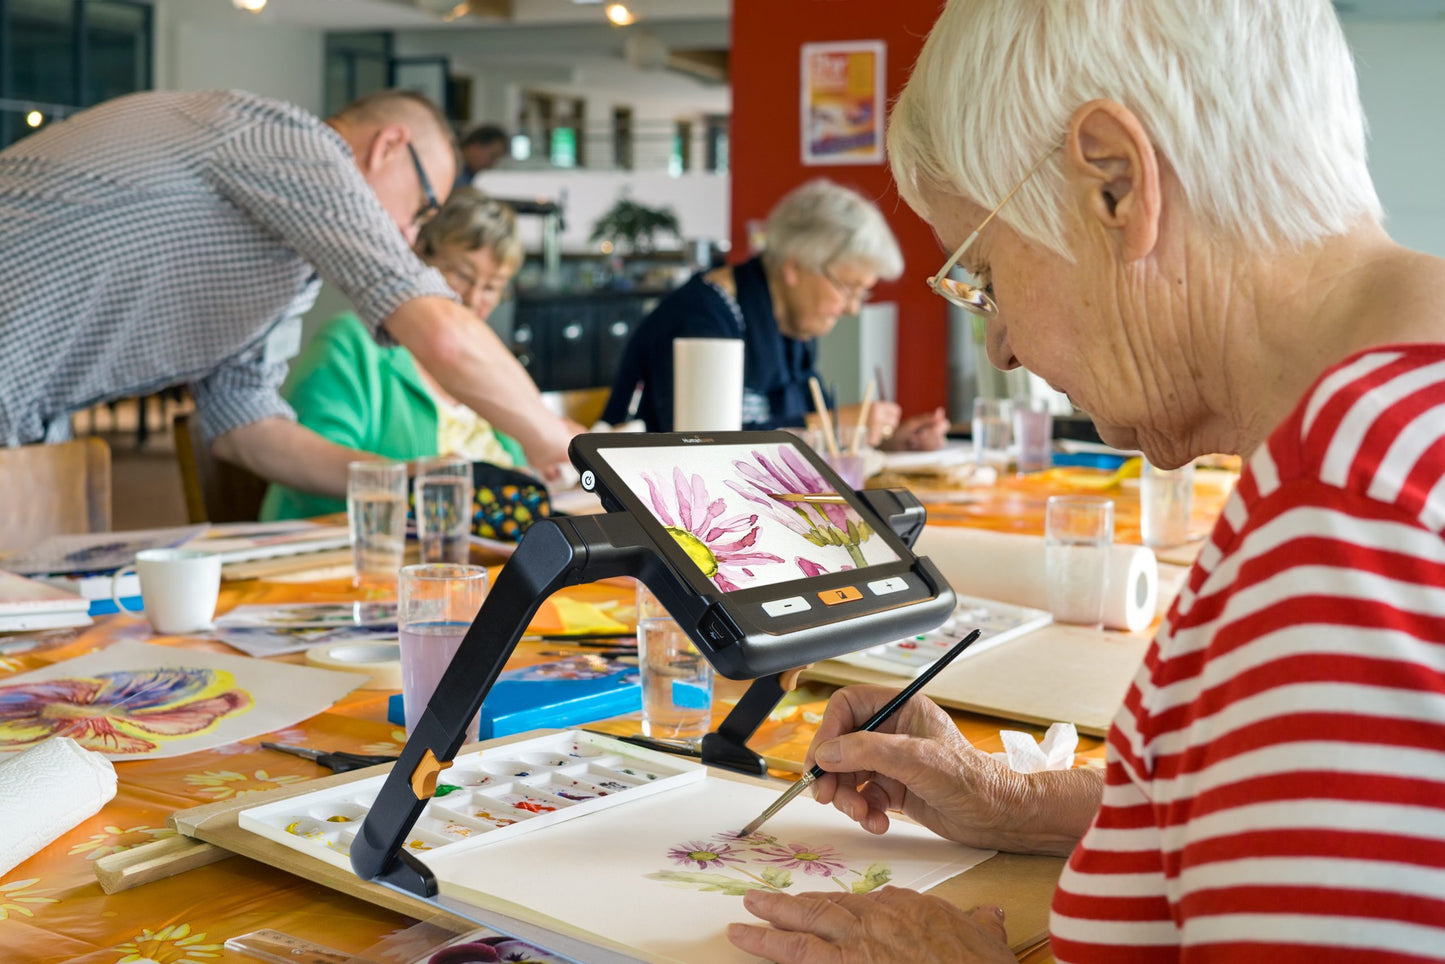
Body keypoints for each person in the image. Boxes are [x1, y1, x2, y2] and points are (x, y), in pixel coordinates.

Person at [728, 1, 1445, 961]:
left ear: (1114, 183)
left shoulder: (1349, 529)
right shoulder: (1389, 438)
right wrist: (1016, 802)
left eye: (983, 273)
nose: (1002, 344)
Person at [0, 88, 574, 495]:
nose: (409, 235)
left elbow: (245, 425)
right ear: (388, 147)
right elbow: (438, 331)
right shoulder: (293, 141)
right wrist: (558, 442)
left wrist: (406, 481)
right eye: (421, 209)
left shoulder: (286, 265)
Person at [599, 178, 950, 451]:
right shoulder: (701, 318)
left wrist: (882, 438)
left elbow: (814, 425)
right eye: (848, 287)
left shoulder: (792, 325)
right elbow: (703, 445)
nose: (853, 307)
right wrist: (830, 423)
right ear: (795, 267)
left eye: (863, 292)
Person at [261, 187, 525, 520]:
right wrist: (414, 478)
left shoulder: (488, 362)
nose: (473, 299)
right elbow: (303, 475)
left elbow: (519, 465)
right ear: (419, 257)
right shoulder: (352, 343)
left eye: (491, 287)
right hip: (354, 556)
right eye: (461, 275)